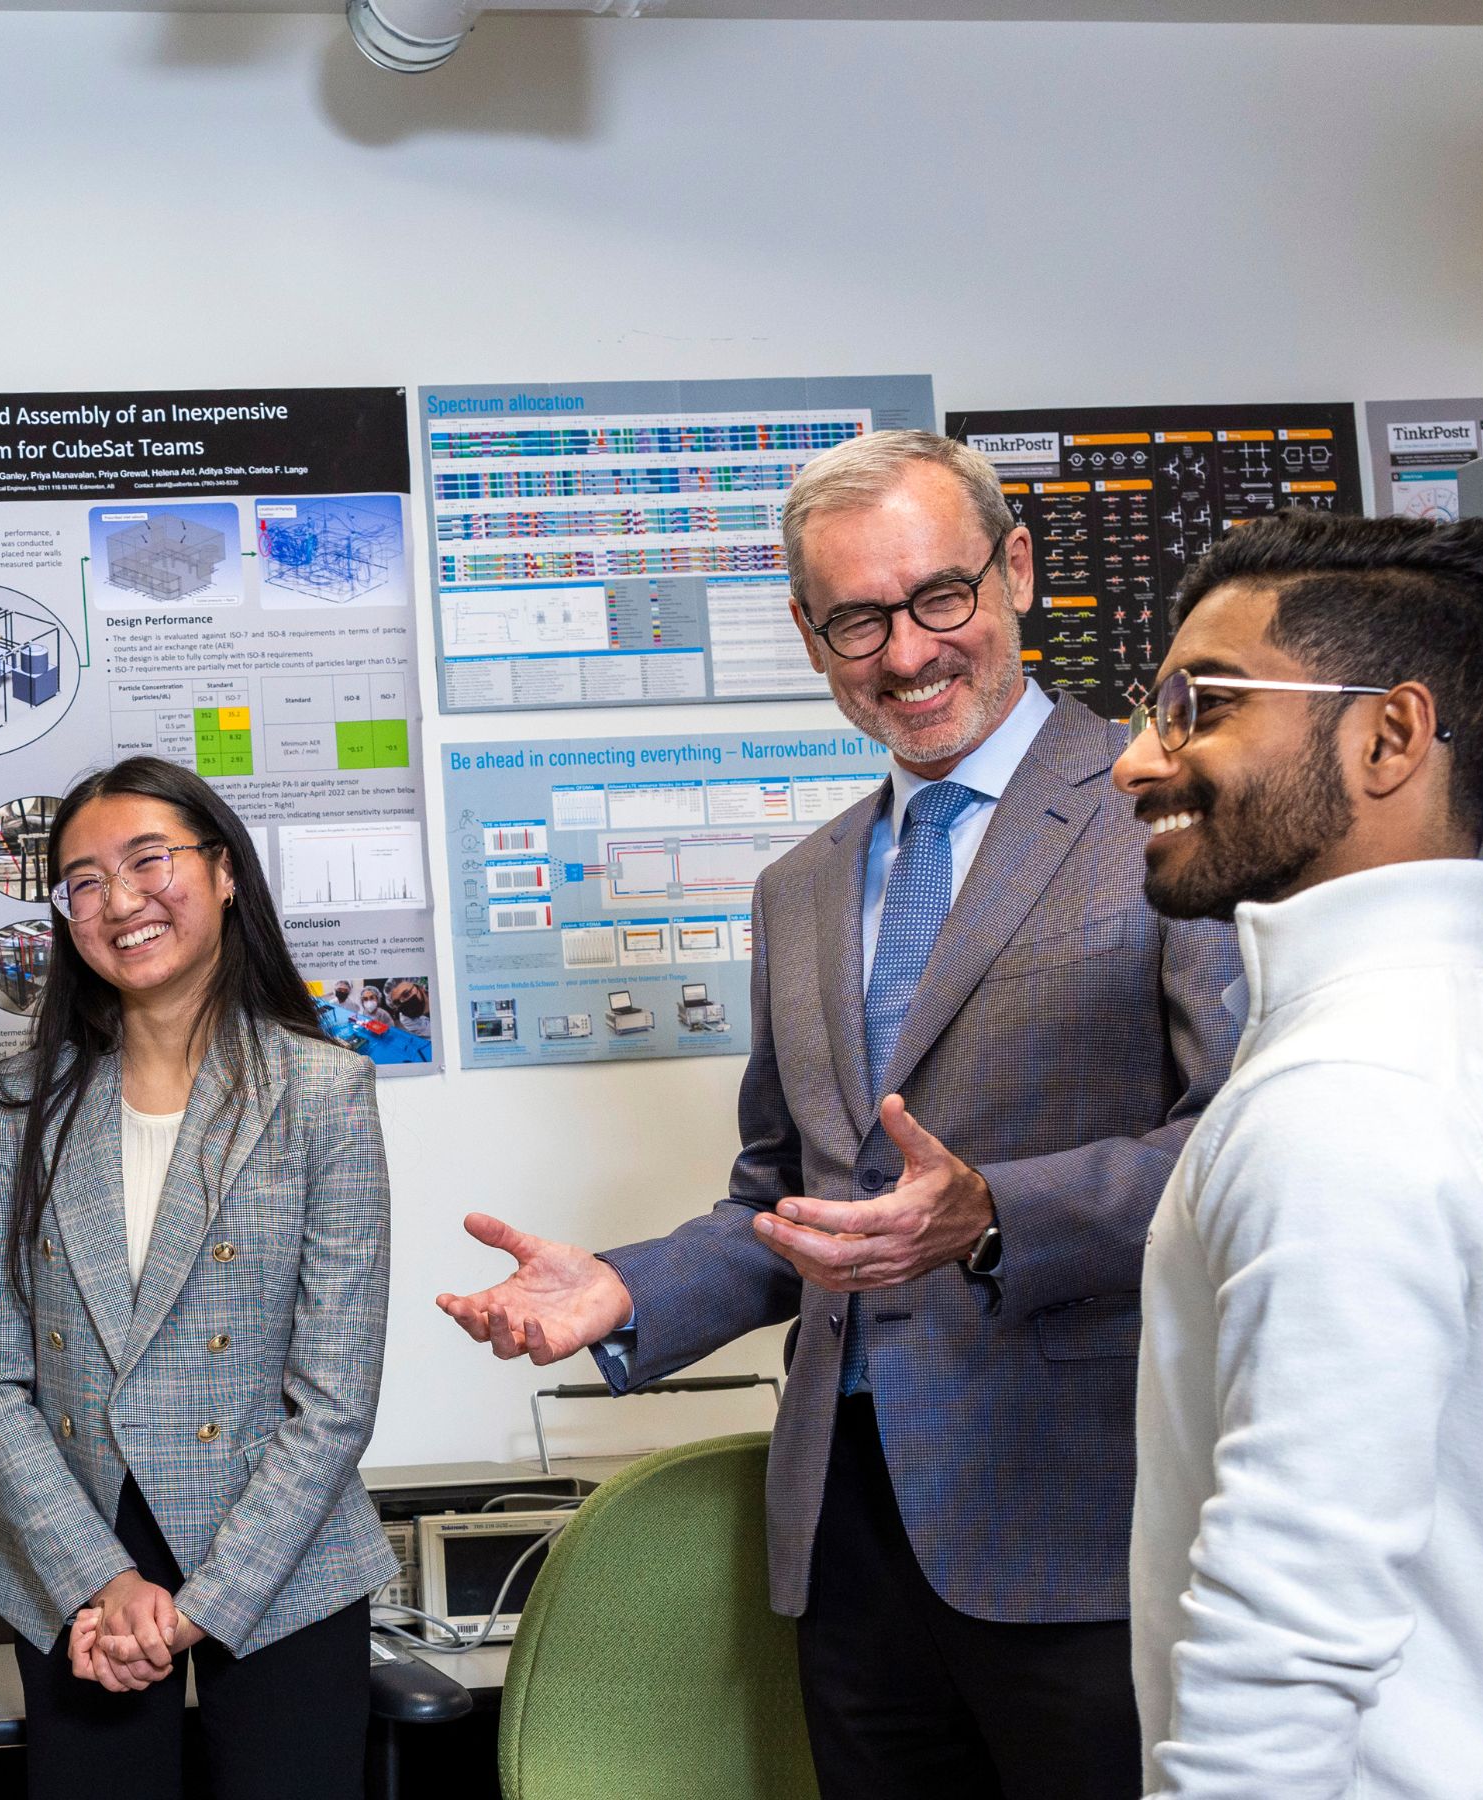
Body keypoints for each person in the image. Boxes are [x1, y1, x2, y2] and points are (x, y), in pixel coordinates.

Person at [439, 430, 1240, 1799]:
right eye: (860, 619)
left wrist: (997, 1214)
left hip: (1082, 1515)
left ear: (1019, 574)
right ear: (810, 635)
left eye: (940, 596)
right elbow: (784, 1197)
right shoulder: (801, 887)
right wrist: (622, 1292)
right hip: (849, 1533)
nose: (909, 652)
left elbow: (1246, 1147)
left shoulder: (1165, 811)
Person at [1114, 512, 1483, 1796]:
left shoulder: (1344, 1099)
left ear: (1386, 737)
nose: (1141, 758)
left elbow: (1285, 1634)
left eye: (1200, 704)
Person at [0, 757, 393, 1800]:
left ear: (223, 872)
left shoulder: (320, 1093)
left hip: (281, 1563)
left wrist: (195, 1609)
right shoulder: (22, 1103)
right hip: (74, 1564)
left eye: (148, 861)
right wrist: (101, 1582)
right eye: (84, 881)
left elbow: (334, 1399)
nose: (119, 900)